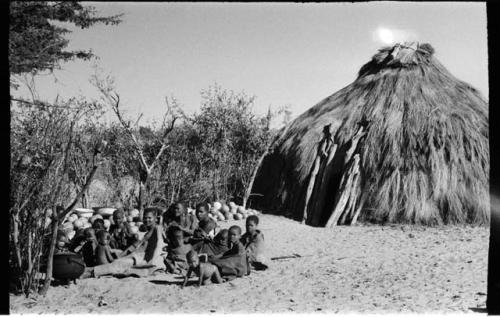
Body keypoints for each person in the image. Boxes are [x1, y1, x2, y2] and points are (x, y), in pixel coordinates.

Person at [91, 208, 166, 278]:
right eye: (145, 218)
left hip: (144, 260)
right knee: (118, 262)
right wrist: (121, 255)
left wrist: (152, 261)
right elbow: (134, 246)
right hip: (137, 257)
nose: (147, 220)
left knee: (119, 265)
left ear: (155, 219)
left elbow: (159, 243)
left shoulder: (157, 228)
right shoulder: (147, 233)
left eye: (149, 218)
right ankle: (93, 270)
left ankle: (93, 271)